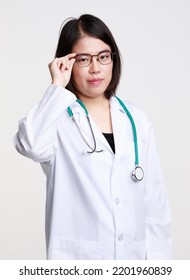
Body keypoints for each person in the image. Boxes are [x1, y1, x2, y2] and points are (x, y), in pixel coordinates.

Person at [14, 14, 172, 260]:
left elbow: (155, 207)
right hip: (78, 263)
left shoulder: (136, 120)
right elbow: (30, 144)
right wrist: (57, 86)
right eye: (83, 59)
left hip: (133, 263)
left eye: (103, 57)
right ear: (67, 62)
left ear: (113, 59)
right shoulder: (57, 118)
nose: (96, 68)